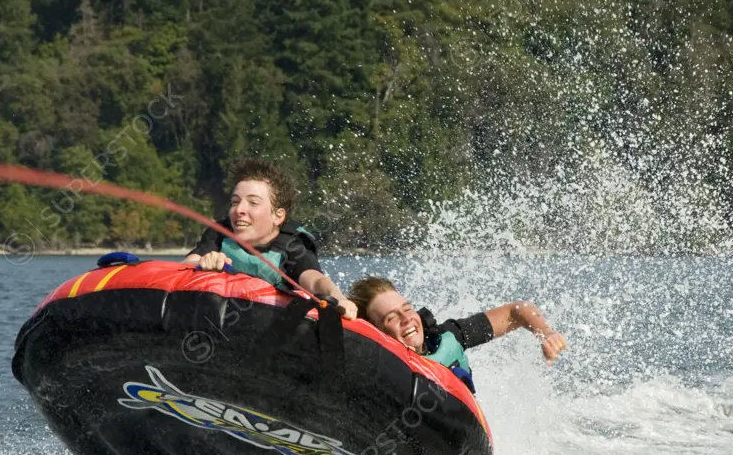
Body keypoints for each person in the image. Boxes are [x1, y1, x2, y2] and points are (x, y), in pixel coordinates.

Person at [182, 159, 357, 319]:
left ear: (278, 216)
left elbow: (315, 280)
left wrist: (339, 298)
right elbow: (186, 264)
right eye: (235, 202)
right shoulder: (220, 233)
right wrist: (204, 262)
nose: (239, 210)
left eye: (253, 203)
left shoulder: (293, 246)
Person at [348, 277, 567, 391]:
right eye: (391, 318)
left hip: (461, 431)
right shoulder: (369, 365)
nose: (407, 319)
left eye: (407, 309)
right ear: (375, 331)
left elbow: (517, 311)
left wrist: (546, 334)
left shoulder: (449, 336)